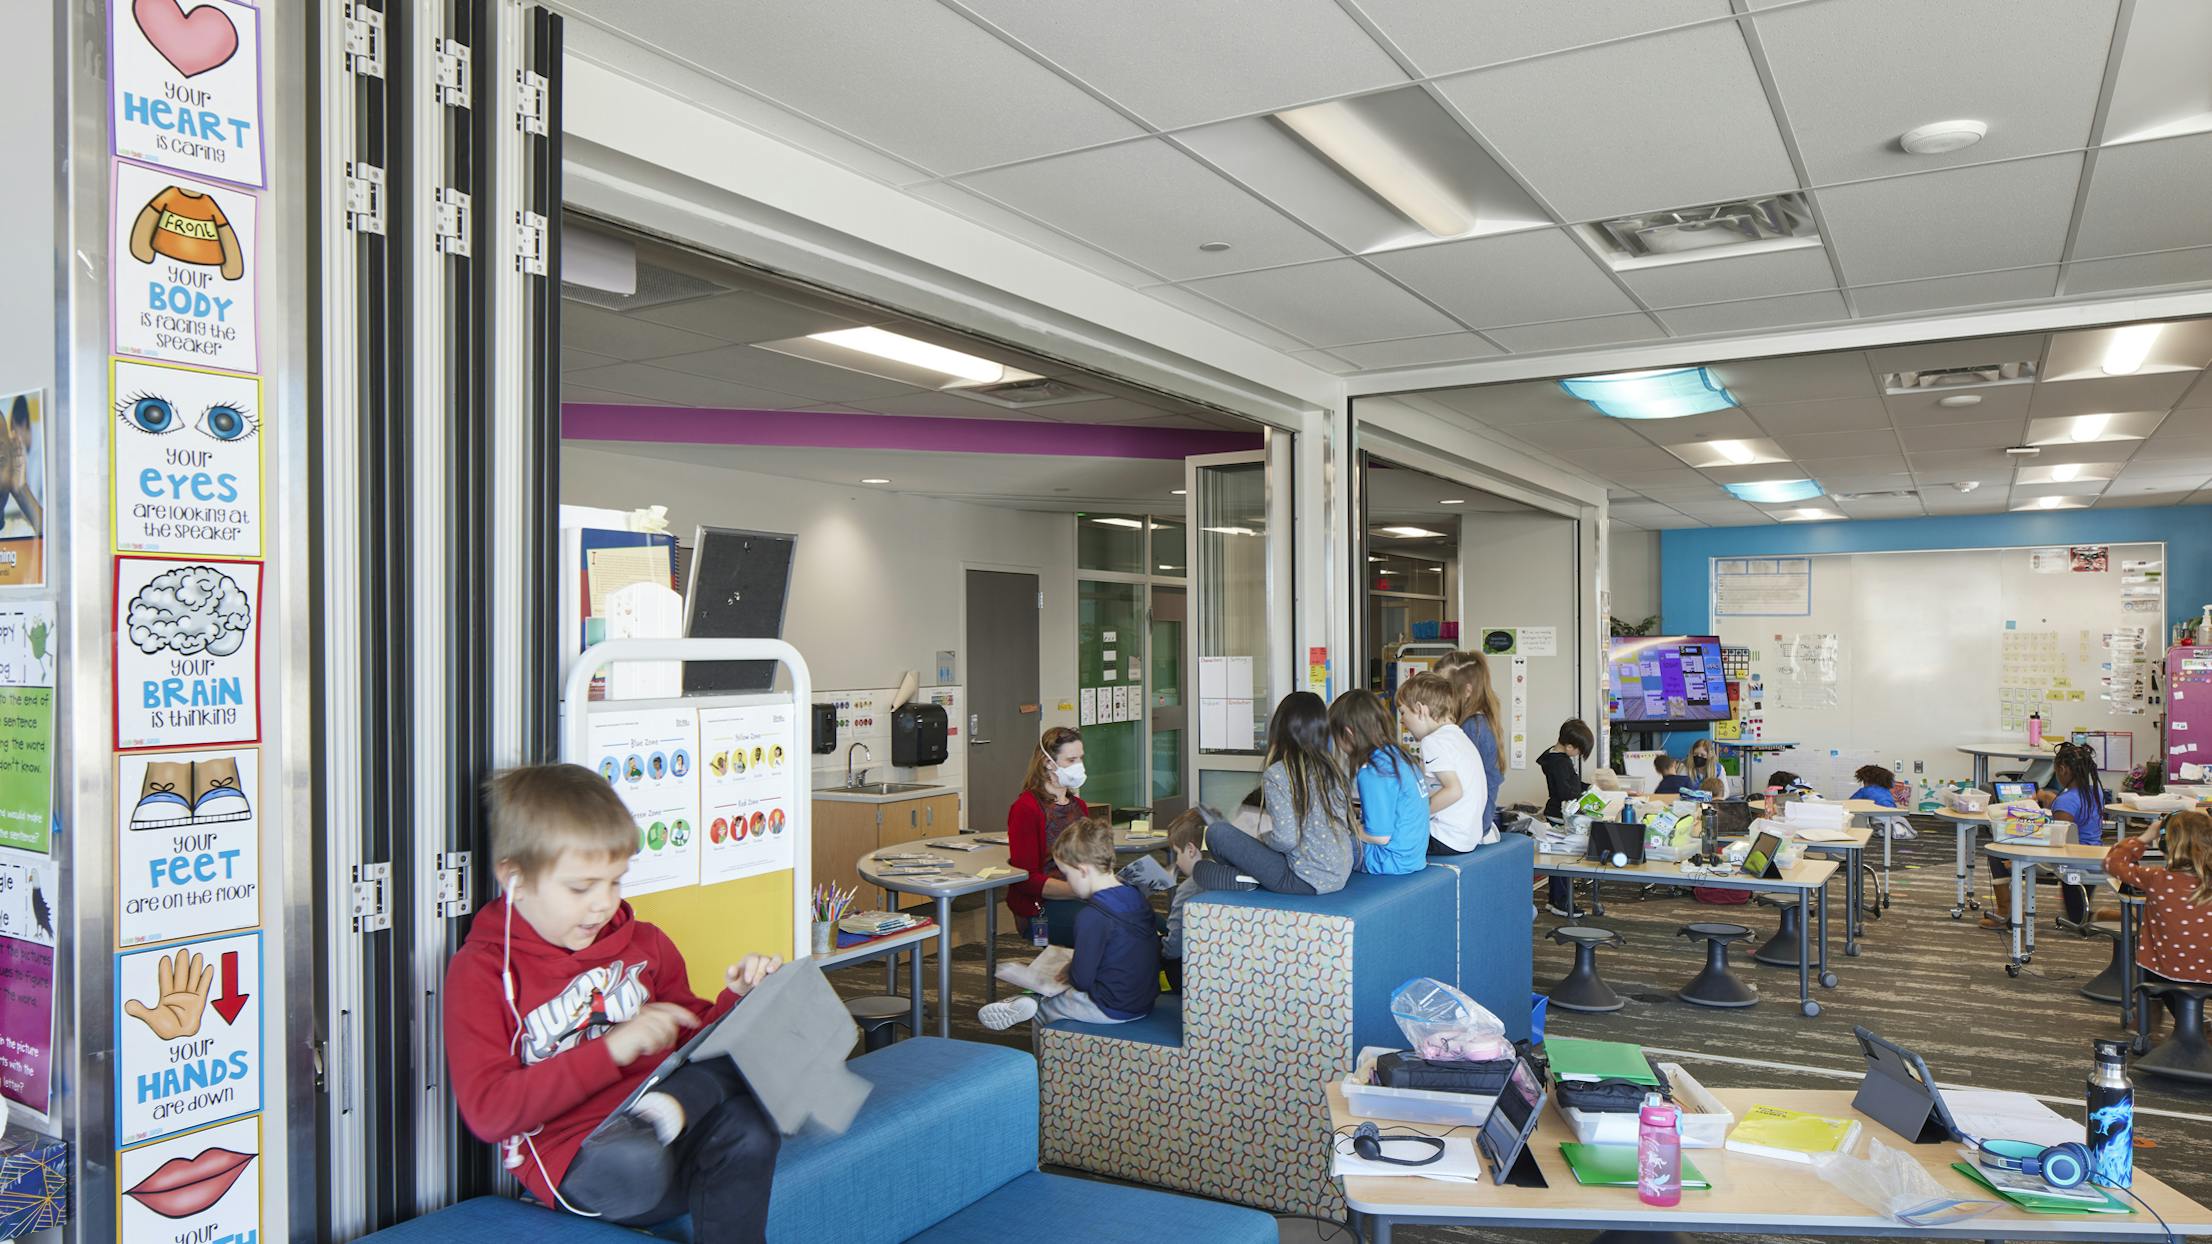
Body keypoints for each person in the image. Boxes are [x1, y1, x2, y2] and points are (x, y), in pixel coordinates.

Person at [443, 765, 784, 1238]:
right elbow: (490, 1112)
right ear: (515, 879)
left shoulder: (645, 943)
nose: (603, 904)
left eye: (616, 881)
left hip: (671, 1129)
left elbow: (692, 1038)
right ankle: (655, 1122)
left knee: (752, 1117)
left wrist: (739, 999)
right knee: (638, 1159)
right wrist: (611, 1051)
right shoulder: (481, 972)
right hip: (587, 1164)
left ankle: (663, 1115)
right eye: (581, 888)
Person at [981, 817, 1159, 1029]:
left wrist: (1071, 971)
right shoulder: (1135, 896)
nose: (1066, 881)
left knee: (1044, 1009)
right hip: (1143, 1001)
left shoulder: (1091, 916)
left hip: (1110, 1006)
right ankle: (1028, 1000)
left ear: (1083, 870)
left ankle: (1043, 1056)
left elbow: (1082, 980)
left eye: (1066, 874)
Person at [1193, 692, 1354, 895]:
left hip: (1302, 879)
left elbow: (1286, 840)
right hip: (1339, 874)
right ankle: (1245, 875)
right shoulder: (1332, 770)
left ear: (1281, 728)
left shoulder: (1279, 773)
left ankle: (1246, 878)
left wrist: (1262, 837)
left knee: (1217, 834)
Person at [1986, 747, 2104, 930]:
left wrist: (2018, 855)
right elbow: (2074, 821)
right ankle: (2126, 915)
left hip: (2069, 863)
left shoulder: (2065, 802)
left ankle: (2005, 912)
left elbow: (2056, 843)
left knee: (1998, 853)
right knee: (2078, 918)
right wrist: (2051, 801)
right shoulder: (2094, 792)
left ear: (2063, 769)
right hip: (2093, 858)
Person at [2105, 810, 2212, 985]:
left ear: (2165, 844)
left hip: (2165, 972)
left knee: (2152, 988)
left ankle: (2152, 1011)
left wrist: (2144, 837)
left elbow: (2113, 863)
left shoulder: (2156, 878)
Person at [1330, 688, 1430, 874]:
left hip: (1386, 860)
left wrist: (1349, 830)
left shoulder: (1373, 770)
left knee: (1320, 842)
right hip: (1413, 858)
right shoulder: (1399, 756)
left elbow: (1380, 836)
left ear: (1348, 733)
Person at [1006, 726, 1089, 947]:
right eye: (1071, 760)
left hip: (1081, 895)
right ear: (1047, 762)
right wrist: (1081, 891)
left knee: (1142, 917)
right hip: (1041, 907)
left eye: (1080, 759)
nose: (1079, 766)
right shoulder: (1027, 808)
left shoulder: (1079, 806)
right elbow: (1026, 878)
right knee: (1109, 926)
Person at [1395, 672, 1491, 856]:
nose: (1401, 720)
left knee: (1380, 837)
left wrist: (1415, 814)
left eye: (1403, 712)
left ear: (1420, 709)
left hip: (1444, 838)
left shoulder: (1433, 741)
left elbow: (1454, 790)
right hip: (1466, 838)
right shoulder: (1459, 737)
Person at [1538, 719, 1594, 916]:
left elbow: (1571, 783)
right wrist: (1584, 794)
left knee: (1556, 858)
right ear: (1569, 746)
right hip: (1561, 813)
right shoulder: (1561, 763)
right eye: (1578, 750)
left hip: (1555, 811)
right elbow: (1566, 791)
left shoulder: (1553, 757)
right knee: (1563, 860)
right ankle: (1561, 902)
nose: (1578, 754)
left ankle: (1555, 899)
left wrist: (1586, 787)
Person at [1446, 653, 1505, 837]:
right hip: (1479, 823)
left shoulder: (1471, 728)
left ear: (1467, 690)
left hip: (1471, 826)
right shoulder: (1483, 722)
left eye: (1448, 690)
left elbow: (1460, 787)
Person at [1159, 811, 1207, 993]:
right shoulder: (1225, 876)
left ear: (1191, 849)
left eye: (1177, 853)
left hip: (1187, 976)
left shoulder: (1189, 888)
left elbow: (1173, 949)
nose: (1177, 861)